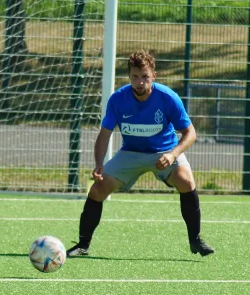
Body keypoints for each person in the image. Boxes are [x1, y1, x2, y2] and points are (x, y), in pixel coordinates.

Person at [66, 50, 215, 258]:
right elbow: (104, 135)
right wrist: (99, 163)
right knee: (98, 189)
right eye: (135, 77)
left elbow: (190, 133)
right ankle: (83, 245)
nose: (140, 82)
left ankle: (195, 240)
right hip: (131, 153)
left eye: (145, 76)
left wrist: (172, 155)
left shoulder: (168, 98)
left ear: (154, 75)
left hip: (165, 151)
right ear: (129, 77)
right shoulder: (118, 99)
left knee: (186, 181)